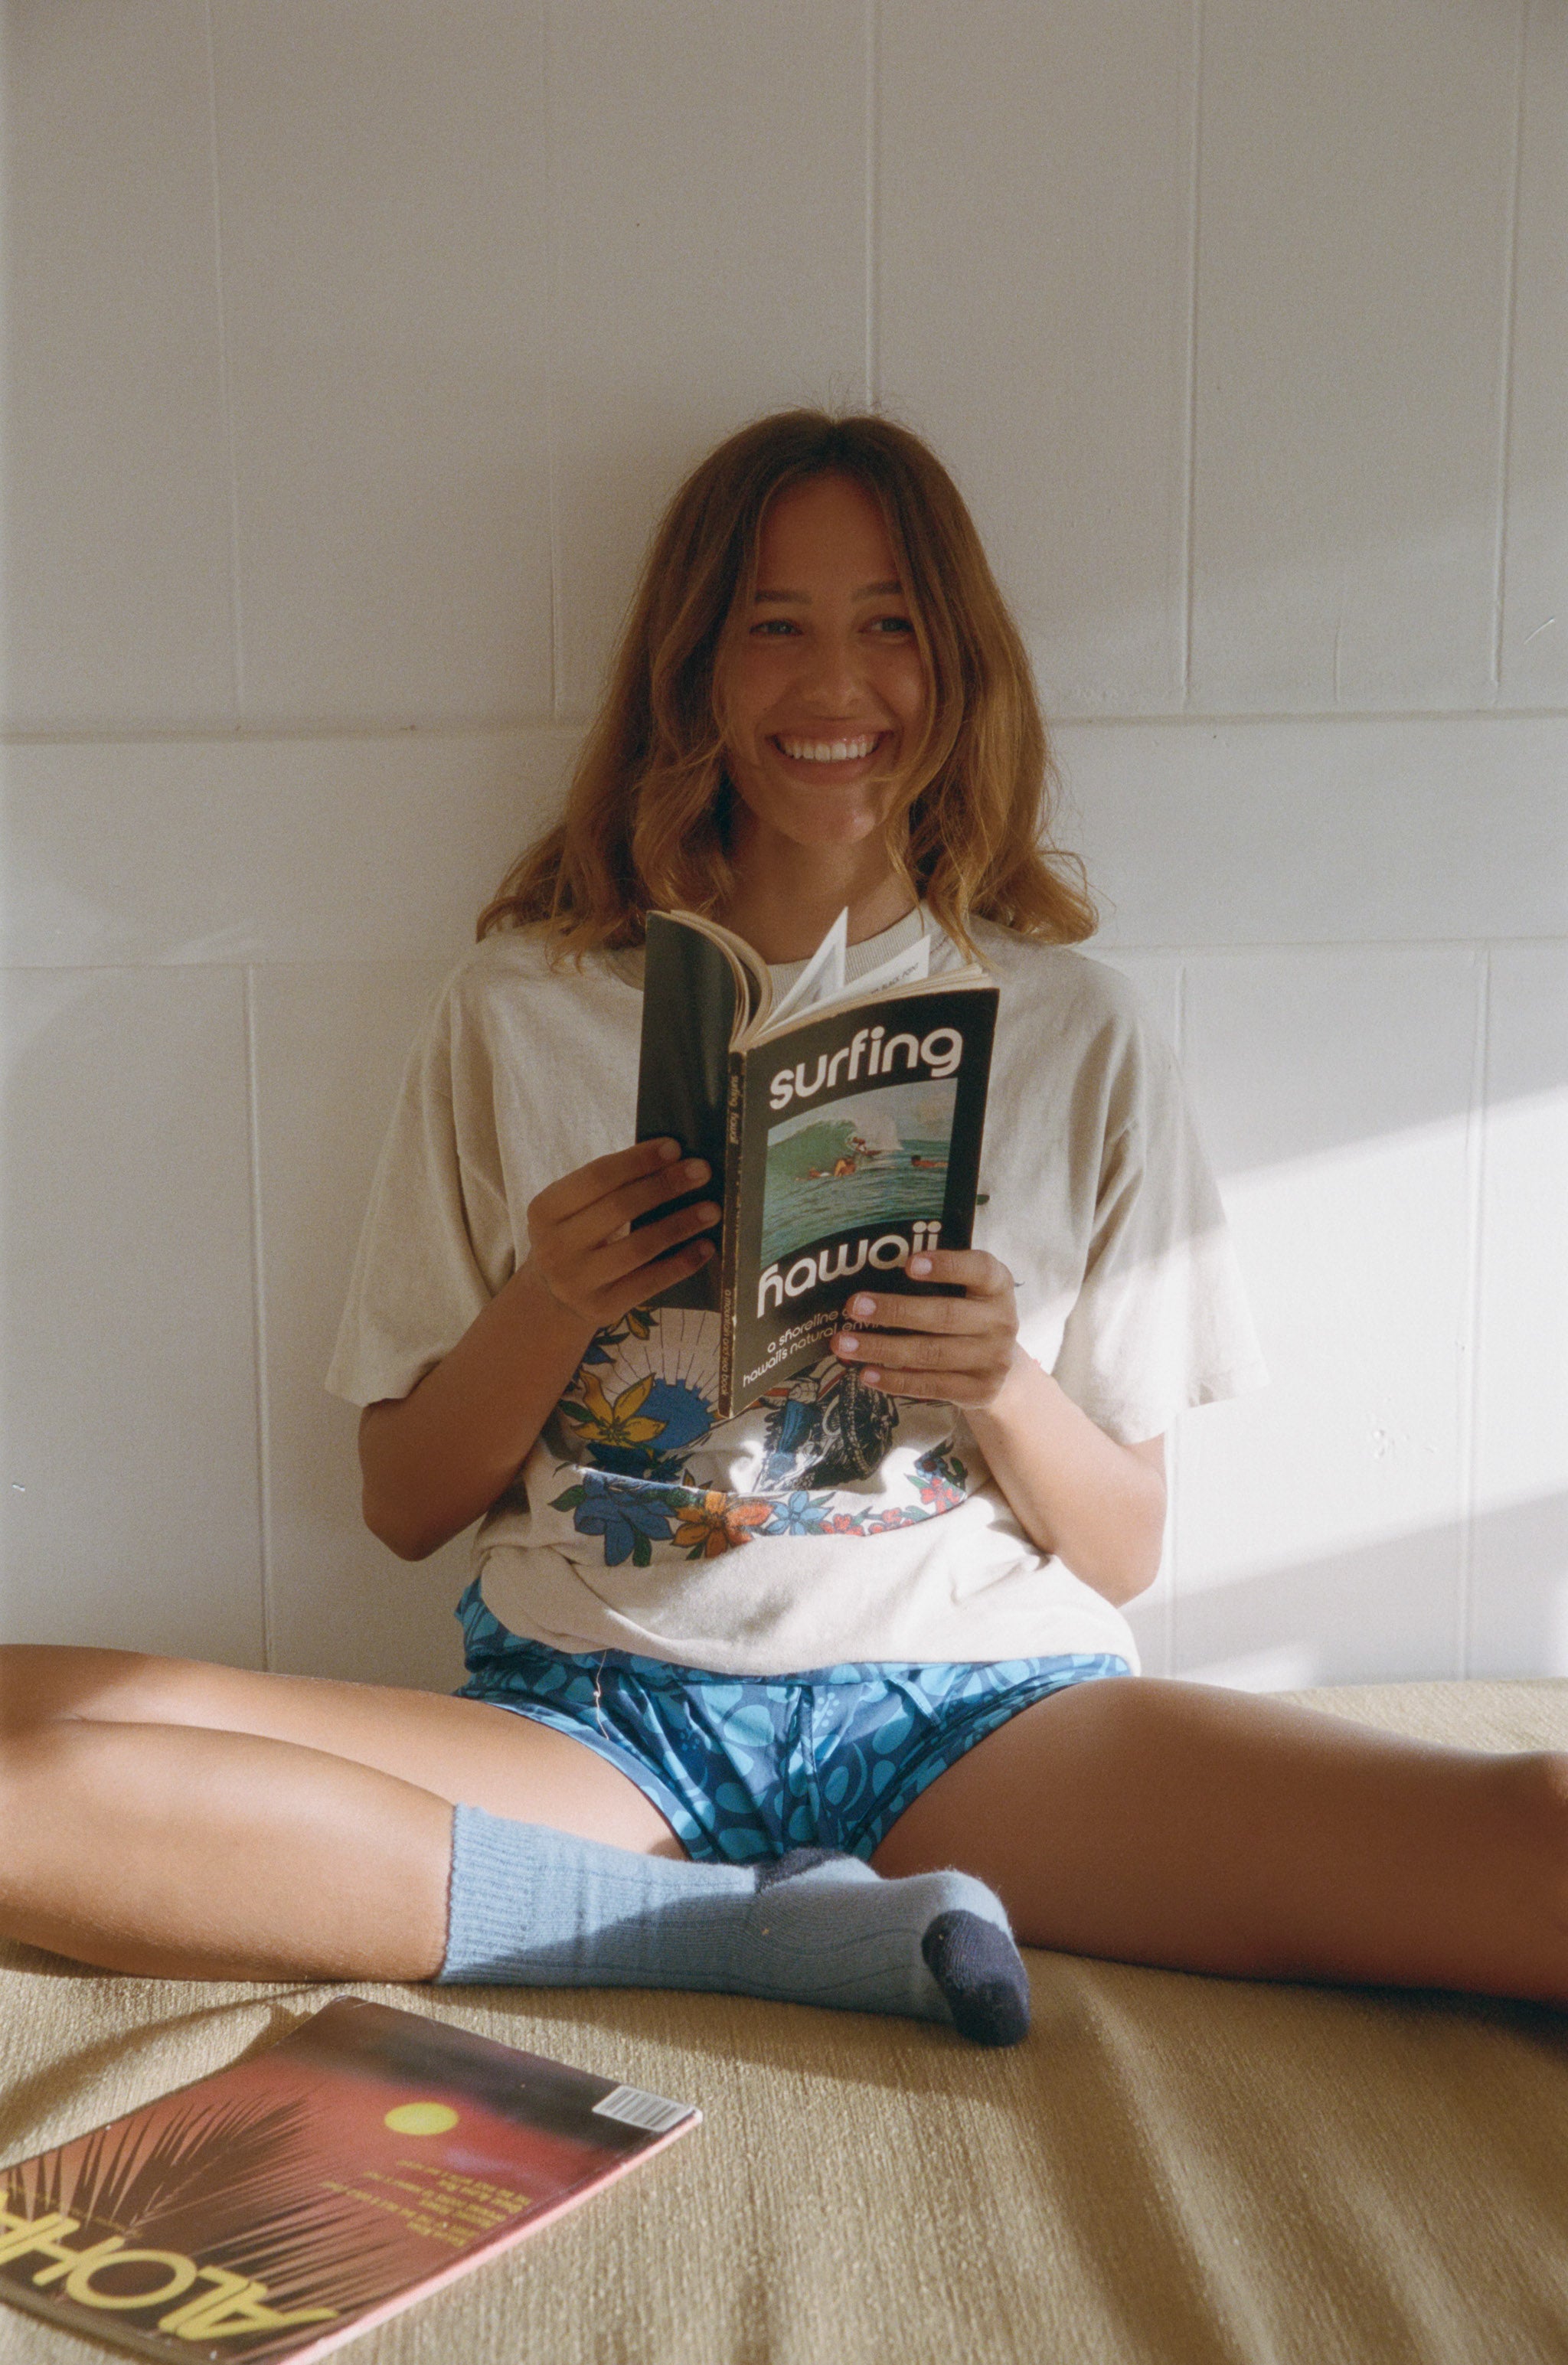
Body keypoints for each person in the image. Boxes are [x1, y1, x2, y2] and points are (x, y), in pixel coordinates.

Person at [5, 412, 1566, 2040]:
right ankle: (723, 1931)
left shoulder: (1073, 1028)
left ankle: (717, 1911)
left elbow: (1124, 1548)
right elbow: (404, 1506)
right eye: (775, 627)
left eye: (888, 624)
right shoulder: (518, 1013)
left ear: (953, 669)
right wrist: (548, 1303)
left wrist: (997, 1377)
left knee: (1539, 1838)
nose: (836, 686)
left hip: (980, 1718)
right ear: (695, 670)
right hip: (598, 1718)